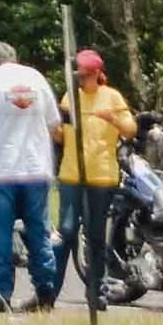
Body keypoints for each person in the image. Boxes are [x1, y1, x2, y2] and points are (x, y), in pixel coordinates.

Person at [0, 38, 62, 309]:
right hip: (36, 168)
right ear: (14, 57)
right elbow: (54, 125)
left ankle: (1, 294)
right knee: (39, 232)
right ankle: (45, 292)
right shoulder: (36, 78)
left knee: (0, 235)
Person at [56, 48, 137, 309]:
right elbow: (61, 135)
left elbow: (130, 130)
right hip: (72, 174)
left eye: (87, 75)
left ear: (97, 74)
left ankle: (96, 289)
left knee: (95, 234)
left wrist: (112, 118)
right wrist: (53, 128)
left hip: (101, 176)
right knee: (66, 231)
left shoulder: (111, 96)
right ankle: (50, 289)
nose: (83, 80)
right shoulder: (70, 97)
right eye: (80, 75)